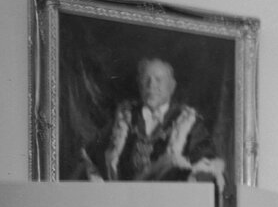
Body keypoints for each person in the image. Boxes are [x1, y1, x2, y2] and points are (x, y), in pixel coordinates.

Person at [78, 56, 225, 188]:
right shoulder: (123, 119)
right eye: (146, 79)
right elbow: (93, 159)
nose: (151, 85)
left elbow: (206, 166)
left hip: (170, 204)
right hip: (125, 202)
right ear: (139, 84)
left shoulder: (189, 122)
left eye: (158, 80)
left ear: (172, 86)